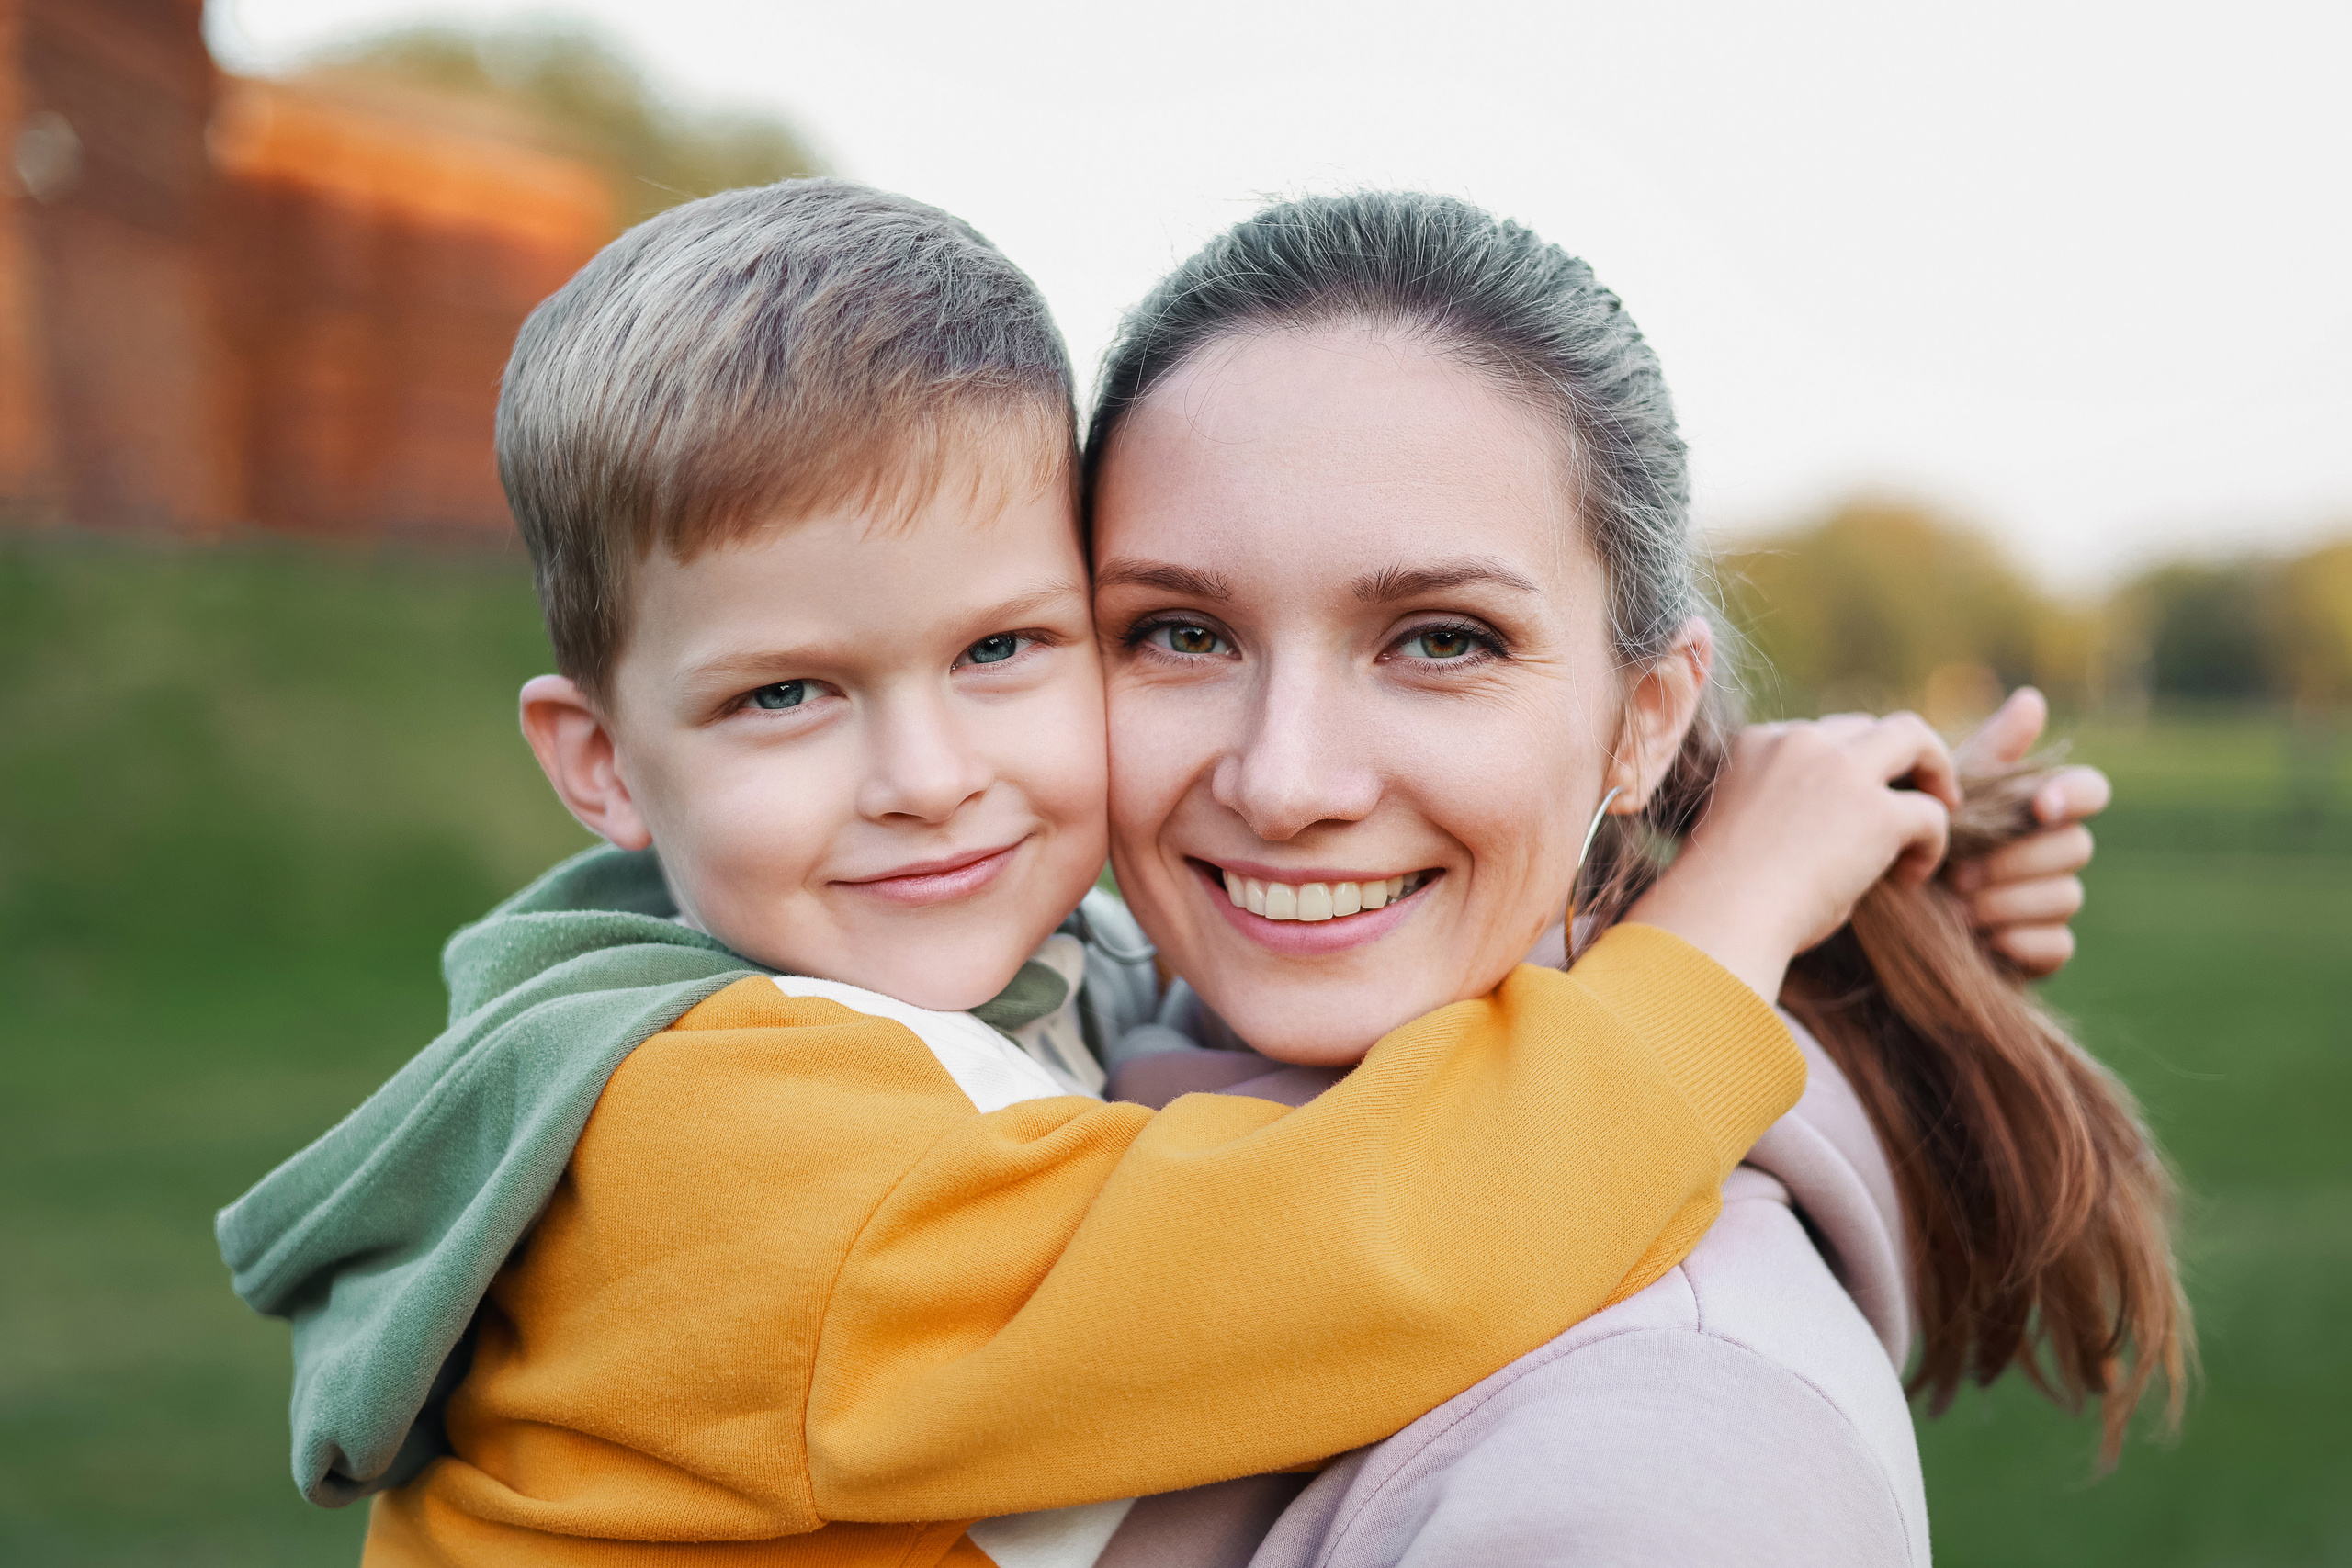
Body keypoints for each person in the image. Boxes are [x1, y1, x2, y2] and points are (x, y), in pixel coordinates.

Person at [213, 179, 1992, 1568]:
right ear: (600, 762)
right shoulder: (726, 1149)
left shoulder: (847, 997)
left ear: (1640, 716)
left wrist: (1870, 899)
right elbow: (1353, 1246)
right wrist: (1726, 914)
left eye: (1002, 649)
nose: (927, 780)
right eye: (784, 693)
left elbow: (1127, 1014)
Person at [1074, 191, 2184, 1567]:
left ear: (1644, 720)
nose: (1284, 781)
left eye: (1441, 640)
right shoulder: (1058, 1037)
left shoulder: (1658, 1450)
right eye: (1180, 632)